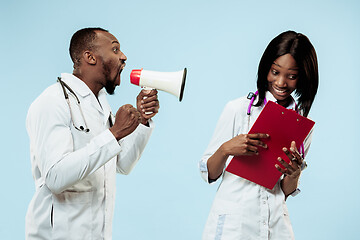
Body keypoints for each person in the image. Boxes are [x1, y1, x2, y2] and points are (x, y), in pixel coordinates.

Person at [25, 27, 160, 240]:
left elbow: (122, 165)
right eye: (115, 49)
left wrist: (142, 120)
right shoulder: (53, 101)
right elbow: (55, 177)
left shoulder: (100, 105)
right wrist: (114, 133)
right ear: (90, 57)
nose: (123, 57)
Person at [199, 30, 318, 239]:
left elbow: (285, 191)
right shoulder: (237, 109)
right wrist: (226, 149)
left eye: (291, 76)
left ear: (303, 78)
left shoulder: (302, 125)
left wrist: (294, 174)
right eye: (275, 72)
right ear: (266, 69)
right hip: (235, 222)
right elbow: (209, 172)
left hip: (275, 223)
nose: (281, 83)